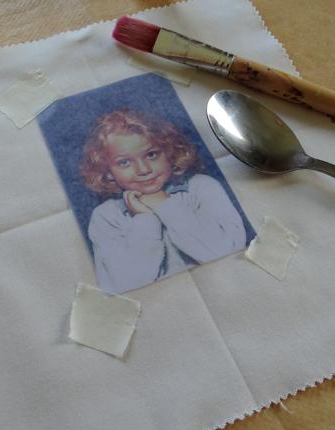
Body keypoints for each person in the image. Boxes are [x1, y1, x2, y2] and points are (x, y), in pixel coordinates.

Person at [80, 109, 247, 294]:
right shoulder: (106, 216)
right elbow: (126, 285)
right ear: (107, 171)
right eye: (124, 162)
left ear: (169, 152)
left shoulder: (201, 188)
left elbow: (227, 253)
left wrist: (165, 204)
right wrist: (144, 219)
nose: (144, 170)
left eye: (151, 154)